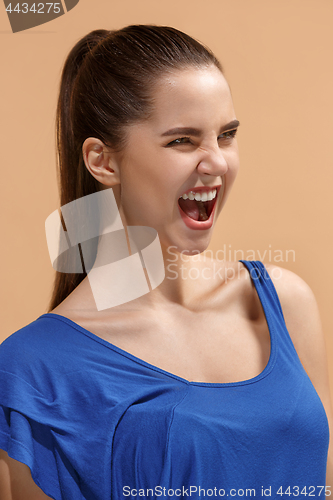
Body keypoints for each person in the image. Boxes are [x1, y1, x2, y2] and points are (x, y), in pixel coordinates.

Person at [0, 24, 332, 500]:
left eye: (227, 135)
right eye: (182, 140)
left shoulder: (281, 300)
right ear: (103, 162)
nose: (216, 162)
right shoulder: (34, 371)